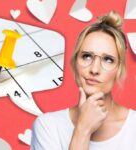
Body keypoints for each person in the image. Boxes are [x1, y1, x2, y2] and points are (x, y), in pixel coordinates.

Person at [30, 11, 136, 150]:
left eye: (108, 60)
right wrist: (83, 129)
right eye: (87, 56)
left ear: (119, 69)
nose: (94, 69)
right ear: (74, 62)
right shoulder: (48, 126)